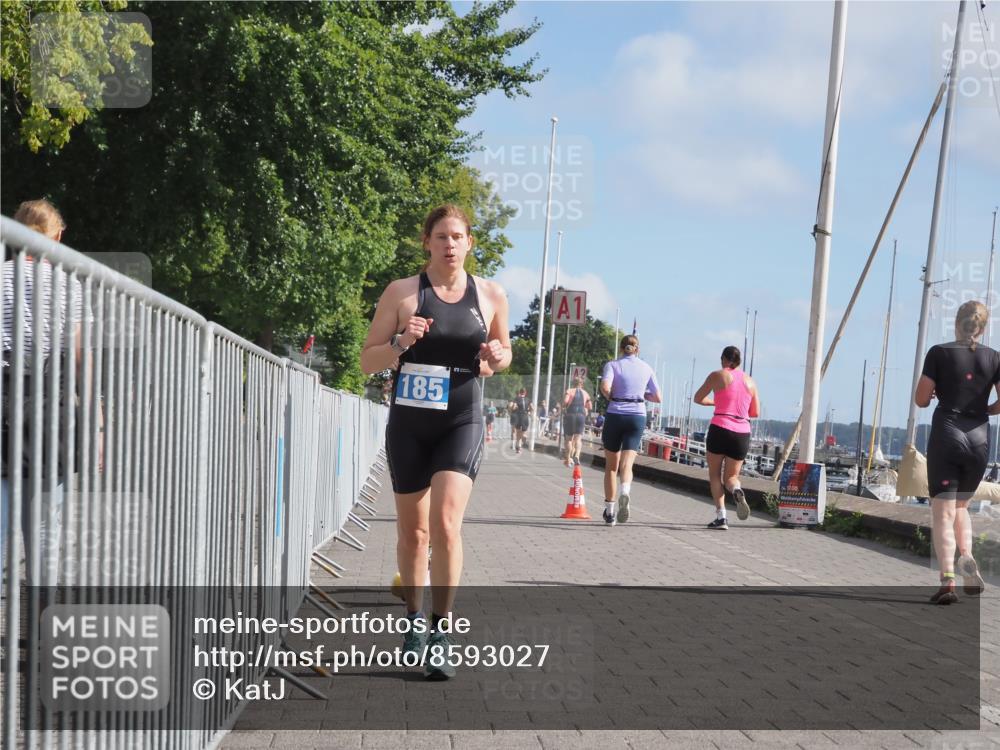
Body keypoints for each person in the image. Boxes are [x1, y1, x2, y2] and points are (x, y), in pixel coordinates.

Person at [360, 204, 511, 678]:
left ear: (469, 243)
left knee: (445, 524)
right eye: (441, 236)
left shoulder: (490, 294)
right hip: (410, 424)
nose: (450, 245)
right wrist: (401, 342)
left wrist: (496, 355)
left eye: (457, 237)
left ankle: (441, 630)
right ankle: (412, 623)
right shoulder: (402, 292)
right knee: (414, 533)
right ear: (426, 241)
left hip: (461, 420)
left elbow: (502, 355)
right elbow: (367, 361)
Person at [2, 199, 101, 585]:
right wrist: (97, 426)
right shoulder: (67, 284)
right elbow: (81, 360)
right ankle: (42, 611)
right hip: (49, 410)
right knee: (46, 530)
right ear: (57, 236)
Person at [914, 300, 999, 605]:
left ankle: (947, 580)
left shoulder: (939, 353)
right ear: (983, 328)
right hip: (979, 437)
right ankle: (967, 556)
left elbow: (921, 399)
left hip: (947, 434)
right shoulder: (994, 358)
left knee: (943, 512)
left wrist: (936, 393)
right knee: (961, 507)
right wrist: (985, 408)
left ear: (956, 323)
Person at [693, 346, 760, 530]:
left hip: (720, 427)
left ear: (724, 359)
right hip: (742, 432)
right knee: (731, 477)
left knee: (714, 474)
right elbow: (755, 412)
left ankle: (721, 517)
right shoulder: (750, 382)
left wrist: (716, 402)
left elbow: (698, 398)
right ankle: (736, 490)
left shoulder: (717, 375)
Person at [599, 335, 660, 526]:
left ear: (621, 348)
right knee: (627, 464)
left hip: (615, 415)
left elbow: (605, 387)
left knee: (611, 467)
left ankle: (610, 512)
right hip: (637, 416)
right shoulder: (646, 368)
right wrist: (641, 394)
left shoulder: (612, 365)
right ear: (637, 349)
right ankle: (625, 491)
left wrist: (613, 397)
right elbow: (657, 397)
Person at [562, 376, 592, 467]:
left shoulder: (569, 391)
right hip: (581, 416)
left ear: (573, 383)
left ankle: (568, 458)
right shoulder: (585, 393)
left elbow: (565, 401)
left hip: (570, 415)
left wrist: (563, 406)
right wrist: (586, 410)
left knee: (568, 439)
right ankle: (577, 455)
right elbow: (590, 406)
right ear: (582, 384)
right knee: (578, 439)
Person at [509, 387, 531, 453]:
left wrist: (512, 410)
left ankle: (516, 446)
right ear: (525, 392)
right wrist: (529, 411)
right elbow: (532, 408)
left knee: (516, 432)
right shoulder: (527, 399)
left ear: (519, 392)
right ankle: (519, 445)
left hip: (516, 416)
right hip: (524, 416)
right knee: (521, 432)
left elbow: (511, 406)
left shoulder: (516, 399)